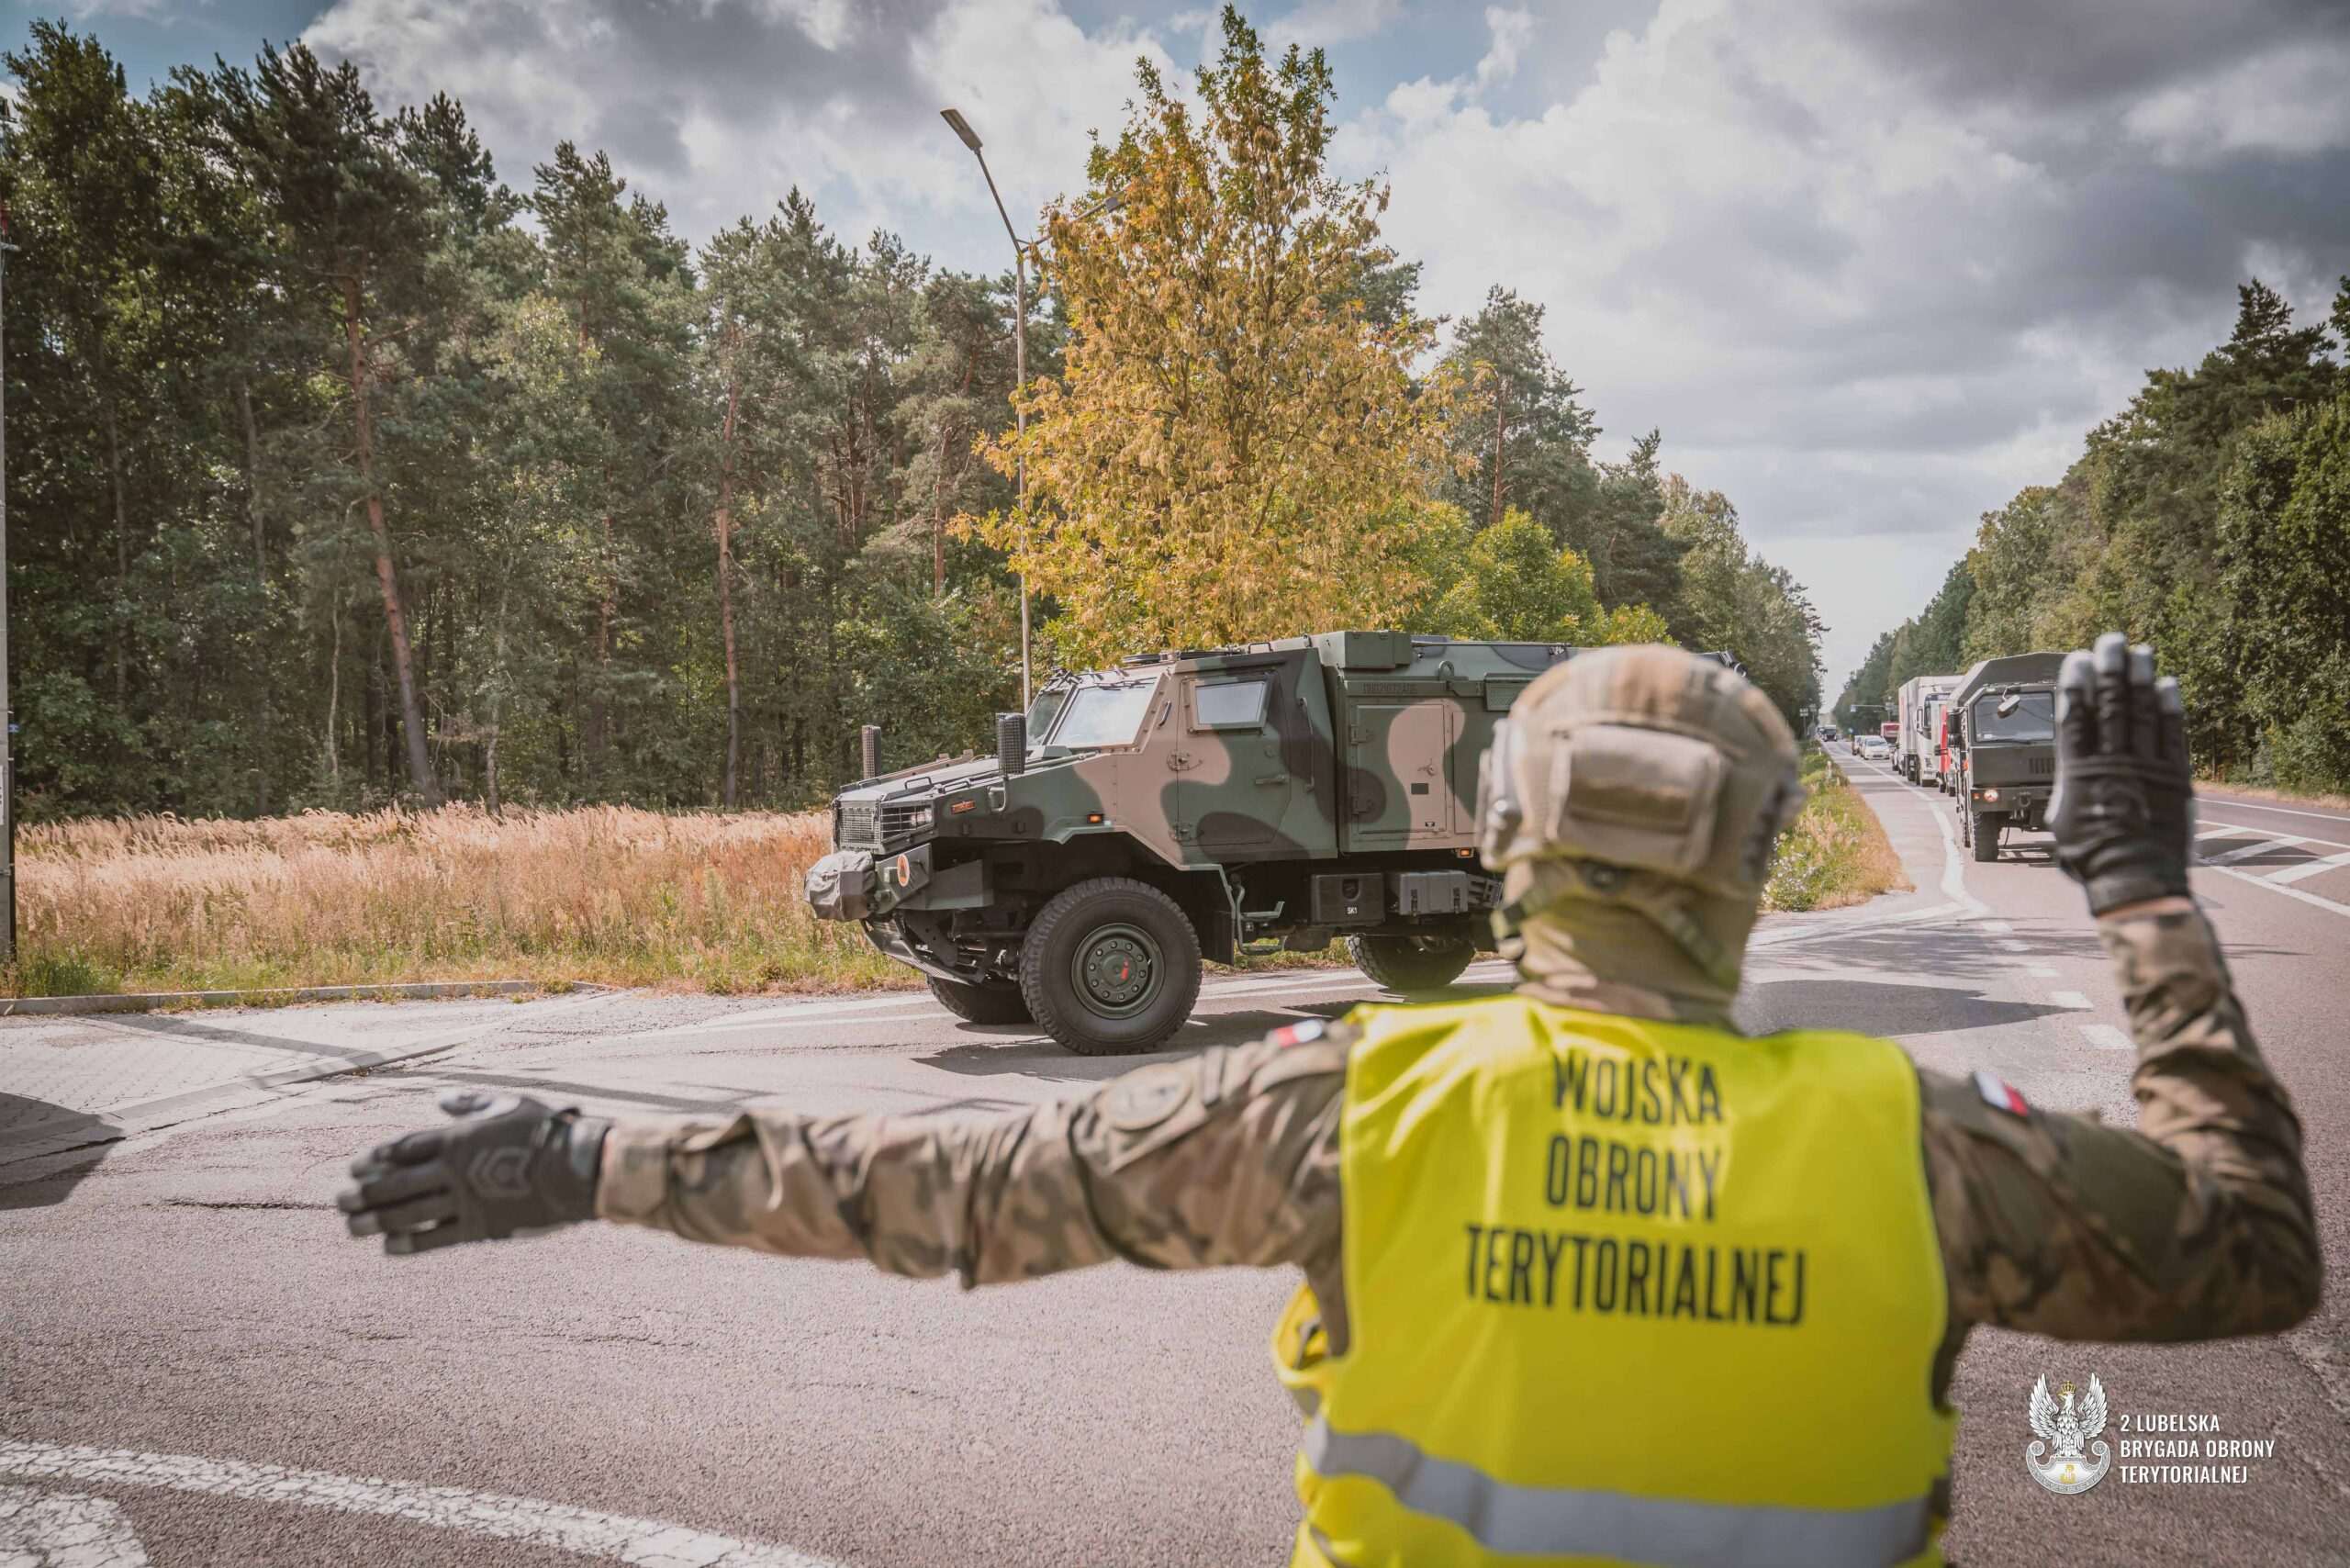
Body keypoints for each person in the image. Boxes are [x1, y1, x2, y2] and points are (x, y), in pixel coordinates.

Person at [340, 636, 2318, 1568]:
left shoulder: (1358, 1109)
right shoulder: (1915, 1144)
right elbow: (2249, 1243)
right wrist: (2137, 888)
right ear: (1757, 860)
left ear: (1510, 842)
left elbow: (933, 1187)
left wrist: (588, 1151)